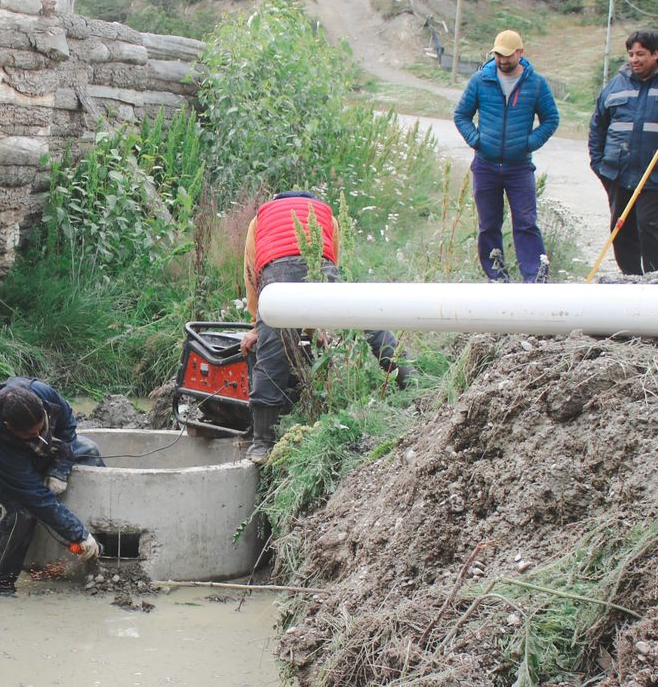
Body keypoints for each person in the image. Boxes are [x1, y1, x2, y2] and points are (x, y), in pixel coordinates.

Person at [238, 191, 411, 464]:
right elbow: (331, 261)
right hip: (321, 266)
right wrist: (319, 323)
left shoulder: (260, 219)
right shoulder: (326, 214)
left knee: (271, 352)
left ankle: (262, 444)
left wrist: (256, 324)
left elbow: (251, 273)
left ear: (275, 200)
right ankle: (409, 381)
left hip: (276, 275)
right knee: (365, 320)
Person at [0, 377, 103, 595]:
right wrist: (78, 534)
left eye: (41, 430)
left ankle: (99, 549)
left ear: (43, 410)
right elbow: (37, 498)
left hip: (25, 453)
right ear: (9, 427)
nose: (38, 437)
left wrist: (60, 467)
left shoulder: (42, 393)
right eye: (29, 436)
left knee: (88, 449)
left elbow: (67, 426)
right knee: (23, 512)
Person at [453, 29, 561, 282]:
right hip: (485, 165)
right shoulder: (481, 80)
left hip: (519, 167)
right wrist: (476, 139)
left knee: (525, 222)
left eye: (507, 55)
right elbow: (461, 115)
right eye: (498, 55)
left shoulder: (536, 83)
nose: (502, 60)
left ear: (520, 54)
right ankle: (497, 277)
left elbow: (551, 118)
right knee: (488, 225)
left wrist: (529, 143)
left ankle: (534, 278)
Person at [587, 30, 658, 275]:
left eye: (641, 54)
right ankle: (631, 280)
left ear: (656, 54)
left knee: (648, 224)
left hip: (656, 173)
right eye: (631, 54)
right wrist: (598, 163)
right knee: (621, 228)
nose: (634, 59)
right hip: (618, 172)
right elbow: (598, 125)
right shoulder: (616, 85)